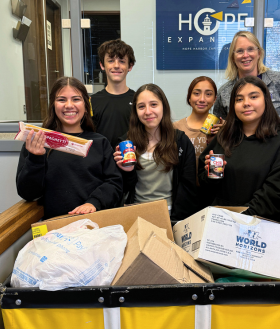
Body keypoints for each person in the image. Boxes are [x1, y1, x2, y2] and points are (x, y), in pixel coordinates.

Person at [16, 77, 123, 220]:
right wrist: (35, 158)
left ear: (86, 106)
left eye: (76, 99)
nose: (69, 105)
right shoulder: (38, 142)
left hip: (94, 226)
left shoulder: (99, 143)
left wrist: (93, 202)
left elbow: (114, 183)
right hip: (54, 229)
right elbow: (28, 194)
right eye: (61, 100)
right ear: (53, 105)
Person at [199, 76, 280, 223]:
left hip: (258, 230)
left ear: (266, 100)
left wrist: (237, 220)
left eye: (253, 97)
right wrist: (212, 175)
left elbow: (274, 196)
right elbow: (207, 188)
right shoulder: (223, 138)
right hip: (220, 225)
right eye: (239, 99)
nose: (246, 103)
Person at [213, 31, 280, 151]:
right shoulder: (225, 92)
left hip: (276, 156)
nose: (245, 55)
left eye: (250, 49)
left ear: (259, 53)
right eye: (240, 51)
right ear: (233, 57)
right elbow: (220, 124)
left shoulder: (279, 82)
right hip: (239, 157)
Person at [113, 83, 198, 223]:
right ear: (135, 111)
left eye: (153, 104)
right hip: (136, 216)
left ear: (163, 106)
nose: (147, 111)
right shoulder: (126, 143)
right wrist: (127, 171)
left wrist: (177, 221)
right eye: (141, 106)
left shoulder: (180, 141)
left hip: (171, 216)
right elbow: (119, 188)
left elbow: (188, 188)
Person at [90, 39, 136, 150]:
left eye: (122, 61)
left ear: (130, 66)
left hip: (131, 161)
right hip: (100, 163)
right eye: (110, 61)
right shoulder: (92, 101)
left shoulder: (138, 100)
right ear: (102, 65)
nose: (116, 66)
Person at [173, 76, 218, 169]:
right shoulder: (176, 128)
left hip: (212, 182)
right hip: (184, 182)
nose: (202, 99)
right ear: (189, 97)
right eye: (196, 93)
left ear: (215, 99)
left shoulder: (222, 127)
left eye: (208, 94)